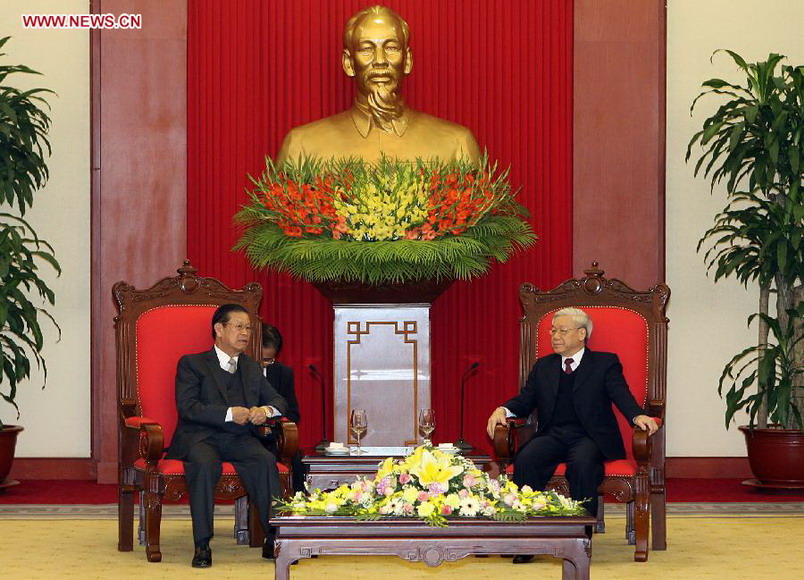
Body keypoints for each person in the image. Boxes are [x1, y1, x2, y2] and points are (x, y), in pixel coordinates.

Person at [485, 307, 659, 564]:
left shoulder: (604, 363)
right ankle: (529, 537)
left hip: (589, 436)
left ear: (581, 334)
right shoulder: (544, 366)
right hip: (553, 434)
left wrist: (637, 416)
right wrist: (503, 409)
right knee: (526, 460)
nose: (555, 336)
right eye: (553, 330)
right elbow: (526, 399)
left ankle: (580, 537)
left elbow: (620, 394)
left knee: (583, 464)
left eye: (562, 331)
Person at [276, 5, 481, 164]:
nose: (380, 60)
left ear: (407, 60)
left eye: (391, 47)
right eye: (367, 49)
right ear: (348, 63)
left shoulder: (457, 145)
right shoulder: (302, 146)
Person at [165, 304, 288, 568]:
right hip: (201, 438)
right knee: (204, 463)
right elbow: (188, 407)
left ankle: (274, 538)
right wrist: (231, 413)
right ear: (219, 329)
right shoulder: (192, 364)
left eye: (248, 328)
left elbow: (279, 401)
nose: (245, 333)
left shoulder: (251, 367)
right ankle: (202, 545)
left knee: (264, 461)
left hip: (239, 439)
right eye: (239, 326)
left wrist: (264, 411)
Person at [260, 324, 307, 493]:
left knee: (295, 458)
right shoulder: (237, 369)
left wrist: (273, 422)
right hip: (246, 434)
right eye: (261, 359)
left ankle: (294, 509)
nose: (264, 364)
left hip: (274, 434)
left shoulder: (283, 372)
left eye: (269, 360)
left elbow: (294, 412)